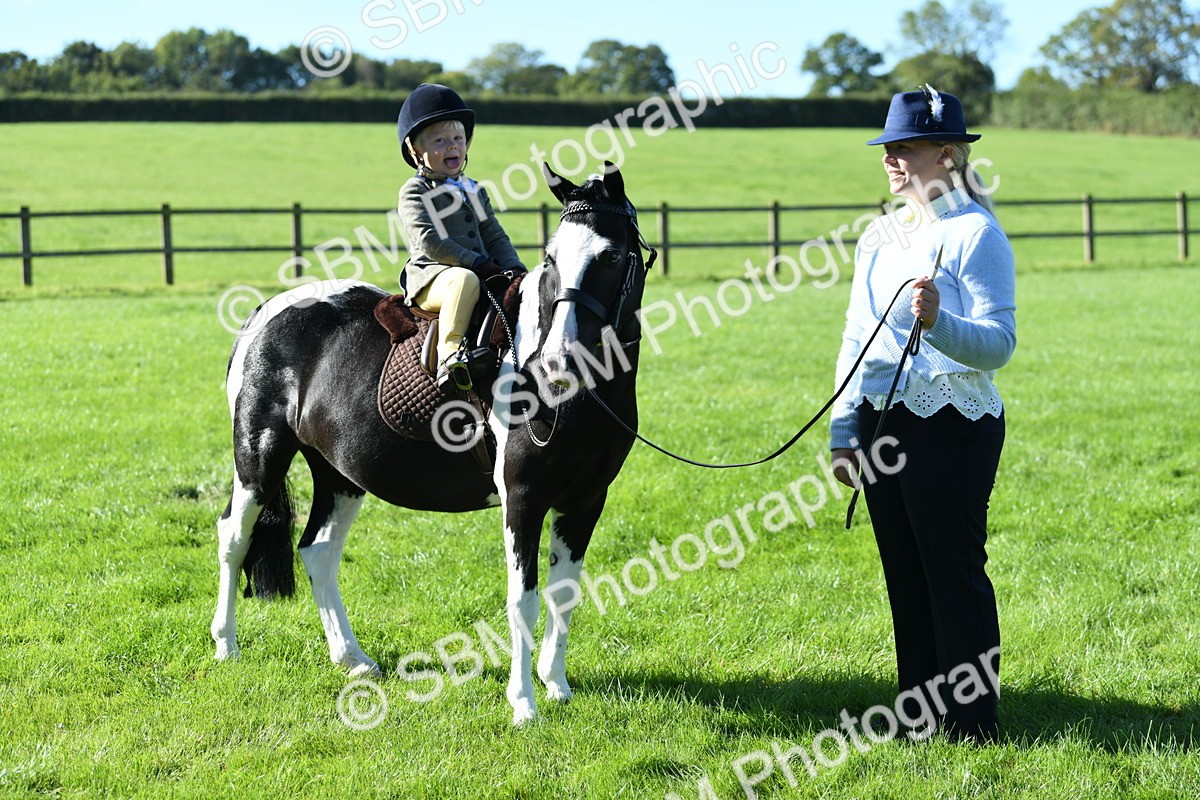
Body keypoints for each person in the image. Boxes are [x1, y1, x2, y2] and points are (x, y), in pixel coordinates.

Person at [829, 85, 1016, 743]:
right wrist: (844, 431)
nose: (892, 159)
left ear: (945, 154)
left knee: (951, 574)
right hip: (884, 424)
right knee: (905, 575)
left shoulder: (977, 234)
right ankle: (918, 714)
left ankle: (972, 721)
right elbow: (857, 336)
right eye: (889, 148)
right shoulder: (879, 236)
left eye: (905, 148)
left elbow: (999, 345)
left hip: (955, 425)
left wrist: (939, 324)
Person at [395, 83, 526, 392]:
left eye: (457, 138)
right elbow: (429, 242)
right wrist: (477, 263)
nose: (452, 146)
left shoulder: (474, 188)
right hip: (433, 280)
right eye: (439, 141)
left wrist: (515, 269)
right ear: (417, 151)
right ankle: (450, 356)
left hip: (480, 271)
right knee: (462, 280)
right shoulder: (414, 191)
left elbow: (494, 234)